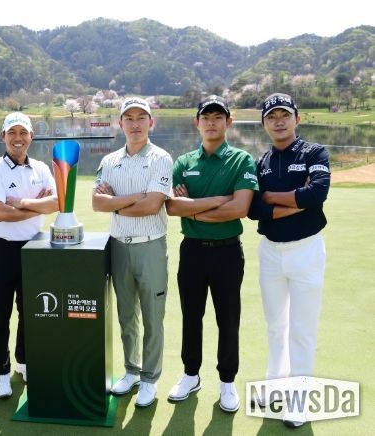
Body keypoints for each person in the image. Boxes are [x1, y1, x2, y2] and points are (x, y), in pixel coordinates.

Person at [165, 95, 258, 412]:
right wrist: (220, 201)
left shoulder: (242, 160)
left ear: (229, 122)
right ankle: (191, 375)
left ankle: (227, 382)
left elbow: (240, 208)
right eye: (206, 117)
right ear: (197, 123)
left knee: (228, 319)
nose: (211, 122)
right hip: (192, 251)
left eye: (218, 117)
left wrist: (192, 209)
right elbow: (173, 207)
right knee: (191, 316)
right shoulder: (184, 162)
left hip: (227, 251)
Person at [248, 93, 330, 428]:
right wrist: (296, 201)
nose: (278, 121)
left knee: (301, 329)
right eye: (271, 117)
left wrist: (272, 197)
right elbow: (254, 209)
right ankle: (274, 385)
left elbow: (317, 193)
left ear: (297, 118)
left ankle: (299, 399)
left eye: (284, 115)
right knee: (275, 325)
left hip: (306, 251)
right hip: (270, 252)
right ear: (264, 124)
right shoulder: (261, 162)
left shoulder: (314, 153)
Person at [92, 97, 173, 408]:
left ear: (151, 122)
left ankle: (150, 378)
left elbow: (152, 205)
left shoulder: (161, 158)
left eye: (141, 118)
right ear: (120, 123)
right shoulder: (110, 161)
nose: (135, 124)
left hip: (150, 245)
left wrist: (117, 202)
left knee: (152, 315)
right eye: (129, 118)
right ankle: (132, 371)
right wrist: (136, 197)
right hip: (119, 247)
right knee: (127, 314)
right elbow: (97, 202)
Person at [0, 112, 58, 398]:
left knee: (30, 312)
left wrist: (23, 204)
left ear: (31, 137)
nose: (18, 138)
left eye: (23, 132)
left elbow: (57, 203)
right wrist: (36, 206)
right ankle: (1, 372)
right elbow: (0, 213)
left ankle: (24, 362)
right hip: (1, 251)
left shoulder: (41, 168)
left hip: (34, 248)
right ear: (3, 136)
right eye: (12, 132)